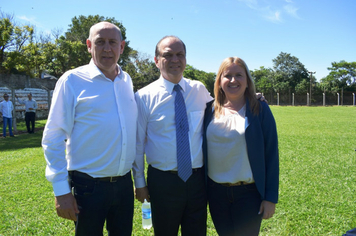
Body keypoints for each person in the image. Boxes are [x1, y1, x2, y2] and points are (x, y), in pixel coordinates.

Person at [42, 22, 137, 236]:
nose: (106, 48)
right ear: (88, 45)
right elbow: (53, 137)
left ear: (121, 47)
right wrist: (61, 191)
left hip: (123, 184)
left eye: (112, 43)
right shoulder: (72, 80)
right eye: (99, 42)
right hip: (88, 188)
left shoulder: (126, 80)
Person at [133, 35, 213, 236]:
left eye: (180, 55)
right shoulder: (143, 97)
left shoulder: (199, 90)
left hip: (197, 181)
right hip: (163, 183)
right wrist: (140, 184)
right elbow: (137, 144)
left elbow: (223, 108)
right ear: (156, 60)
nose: (175, 60)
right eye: (168, 55)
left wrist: (249, 97)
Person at [202, 57, 279, 236]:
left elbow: (271, 155)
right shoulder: (208, 110)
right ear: (220, 81)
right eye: (227, 75)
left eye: (239, 75)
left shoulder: (259, 109)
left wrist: (270, 198)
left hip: (248, 194)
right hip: (216, 194)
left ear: (247, 80)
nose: (233, 80)